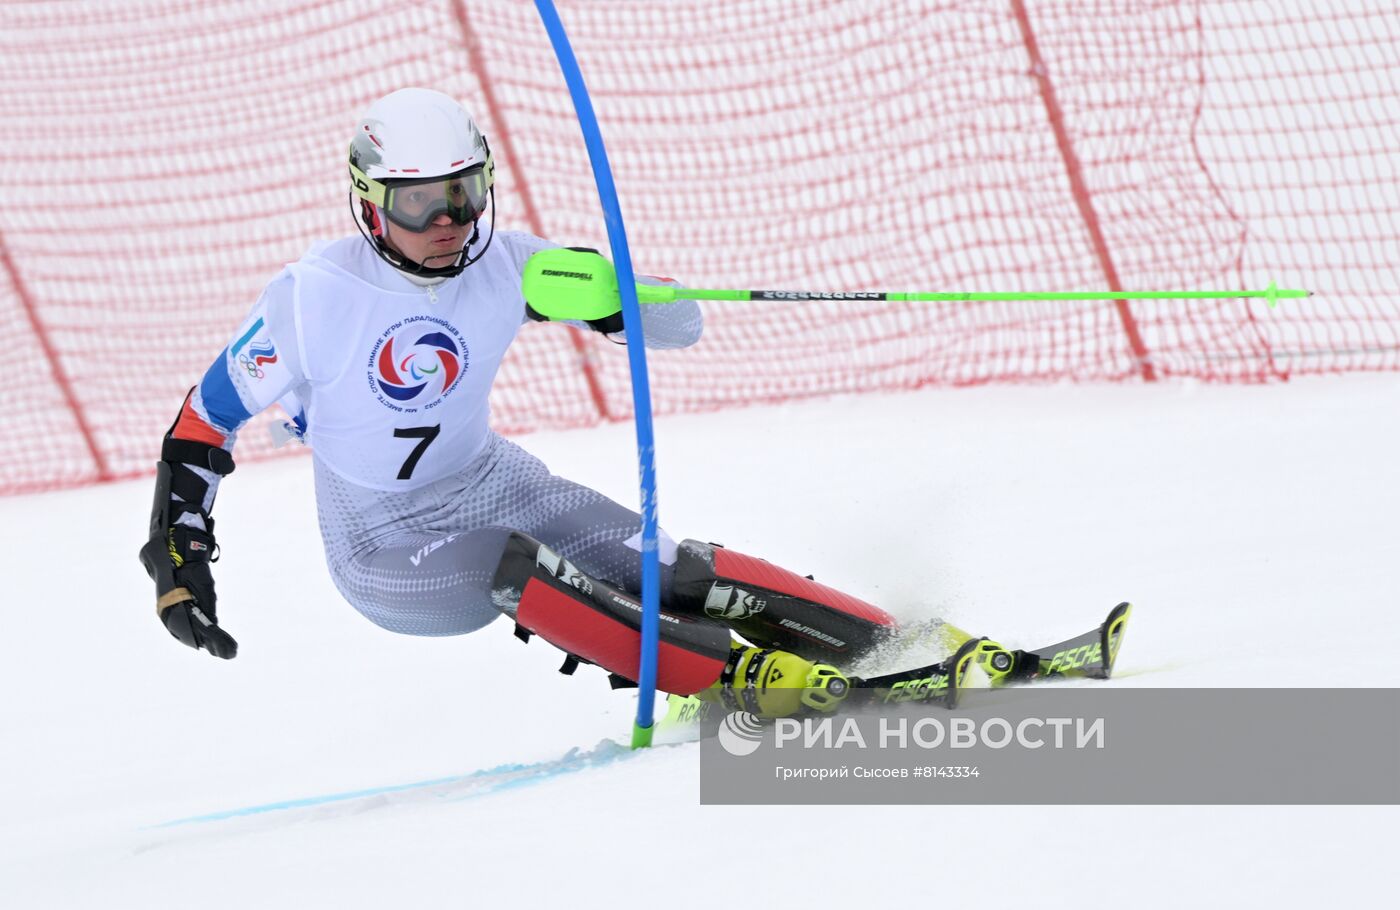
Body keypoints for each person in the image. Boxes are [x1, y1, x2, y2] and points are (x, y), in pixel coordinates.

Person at [137, 88, 907, 718]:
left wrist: (616, 298)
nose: (447, 223)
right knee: (514, 564)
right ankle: (730, 681)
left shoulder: (508, 264)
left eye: (464, 195)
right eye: (418, 204)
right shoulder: (312, 298)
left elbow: (682, 328)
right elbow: (203, 424)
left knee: (667, 567)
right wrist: (179, 556)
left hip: (498, 481)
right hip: (381, 542)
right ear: (370, 205)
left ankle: (887, 643)